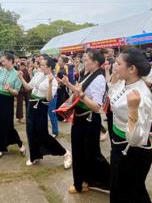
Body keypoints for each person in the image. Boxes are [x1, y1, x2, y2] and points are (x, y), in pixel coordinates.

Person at [59, 50, 110, 194]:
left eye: (86, 59)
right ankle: (82, 182)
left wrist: (81, 96)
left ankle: (109, 181)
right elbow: (78, 91)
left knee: (91, 154)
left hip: (89, 119)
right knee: (79, 151)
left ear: (95, 63)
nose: (84, 61)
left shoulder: (99, 79)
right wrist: (68, 84)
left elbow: (96, 106)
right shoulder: (87, 74)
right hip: (80, 117)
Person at [108, 48, 152, 203]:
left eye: (118, 63)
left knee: (131, 193)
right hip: (119, 144)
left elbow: (136, 139)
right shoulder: (124, 82)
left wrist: (133, 109)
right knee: (118, 187)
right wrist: (114, 77)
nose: (115, 66)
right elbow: (113, 97)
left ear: (132, 69)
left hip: (133, 151)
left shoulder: (142, 96)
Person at [18, 56, 72, 168]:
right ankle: (34, 156)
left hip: (41, 107)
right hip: (32, 105)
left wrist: (51, 83)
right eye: (40, 64)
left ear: (49, 67)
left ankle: (65, 153)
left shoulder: (54, 80)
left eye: (42, 65)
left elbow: (48, 99)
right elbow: (28, 87)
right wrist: (21, 78)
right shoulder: (38, 74)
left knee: (42, 134)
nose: (40, 66)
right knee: (30, 131)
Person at [0, 52, 26, 161]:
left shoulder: (17, 74)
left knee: (8, 125)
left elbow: (16, 92)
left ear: (10, 61)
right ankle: (0, 148)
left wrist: (9, 89)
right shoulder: (1, 70)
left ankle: (19, 143)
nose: (2, 62)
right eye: (2, 61)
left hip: (8, 100)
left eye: (4, 60)